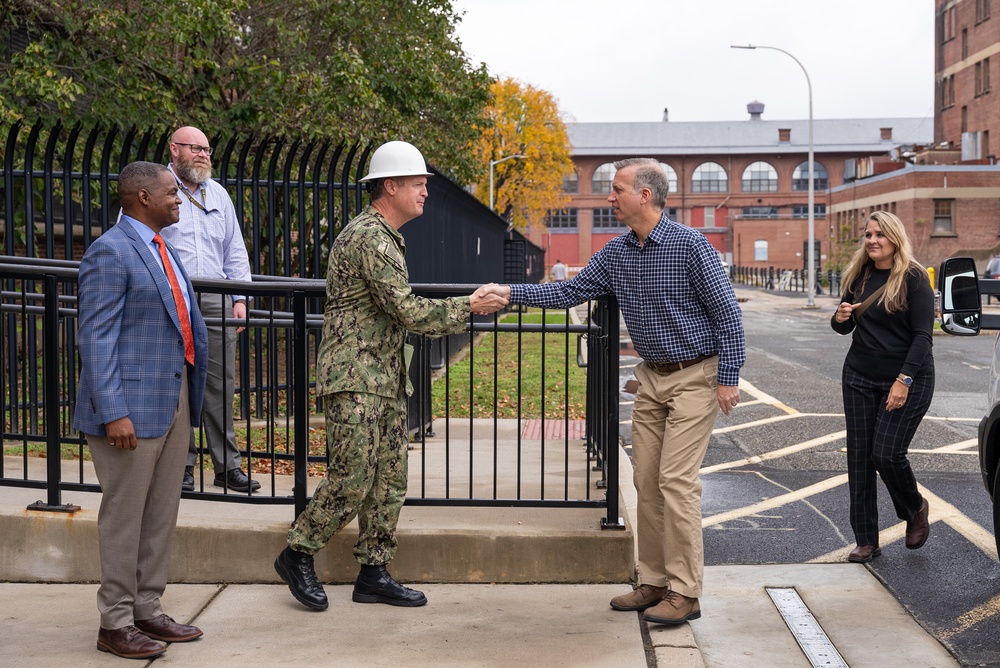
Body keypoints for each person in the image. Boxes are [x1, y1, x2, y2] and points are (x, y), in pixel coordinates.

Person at [488, 158, 745, 626]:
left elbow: (728, 315)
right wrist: (510, 293)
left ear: (645, 195)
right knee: (646, 481)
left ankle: (686, 592)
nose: (610, 197)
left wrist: (728, 377)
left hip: (695, 375)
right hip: (651, 376)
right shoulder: (617, 252)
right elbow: (570, 292)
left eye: (617, 189)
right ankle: (654, 581)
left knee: (676, 481)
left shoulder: (692, 247)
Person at [273, 141, 508, 611]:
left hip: (383, 378)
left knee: (388, 480)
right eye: (418, 184)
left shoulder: (386, 235)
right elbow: (406, 310)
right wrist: (470, 305)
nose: (425, 192)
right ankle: (297, 552)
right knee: (353, 477)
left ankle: (374, 572)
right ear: (391, 186)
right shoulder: (370, 238)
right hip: (355, 378)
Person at [74, 161, 209, 659]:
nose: (179, 199)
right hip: (128, 408)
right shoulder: (110, 252)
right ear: (142, 198)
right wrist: (113, 412)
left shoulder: (163, 248)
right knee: (125, 516)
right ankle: (114, 622)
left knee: (160, 514)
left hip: (172, 399)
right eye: (172, 192)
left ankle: (147, 609)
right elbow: (96, 338)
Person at [831, 210, 933, 564]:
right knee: (859, 459)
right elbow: (844, 325)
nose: (872, 241)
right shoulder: (860, 275)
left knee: (886, 454)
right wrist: (840, 318)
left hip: (908, 378)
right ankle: (866, 540)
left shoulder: (915, 278)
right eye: (868, 234)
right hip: (859, 376)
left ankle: (915, 508)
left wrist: (903, 380)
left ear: (895, 239)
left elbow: (923, 337)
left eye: (880, 235)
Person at [161, 126, 258, 494]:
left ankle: (226, 467)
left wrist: (239, 299)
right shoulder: (156, 187)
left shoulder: (218, 193)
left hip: (217, 297)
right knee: (176, 382)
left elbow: (235, 250)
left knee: (220, 384)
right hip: (172, 297)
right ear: (174, 150)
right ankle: (180, 466)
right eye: (194, 148)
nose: (203, 154)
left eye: (207, 149)